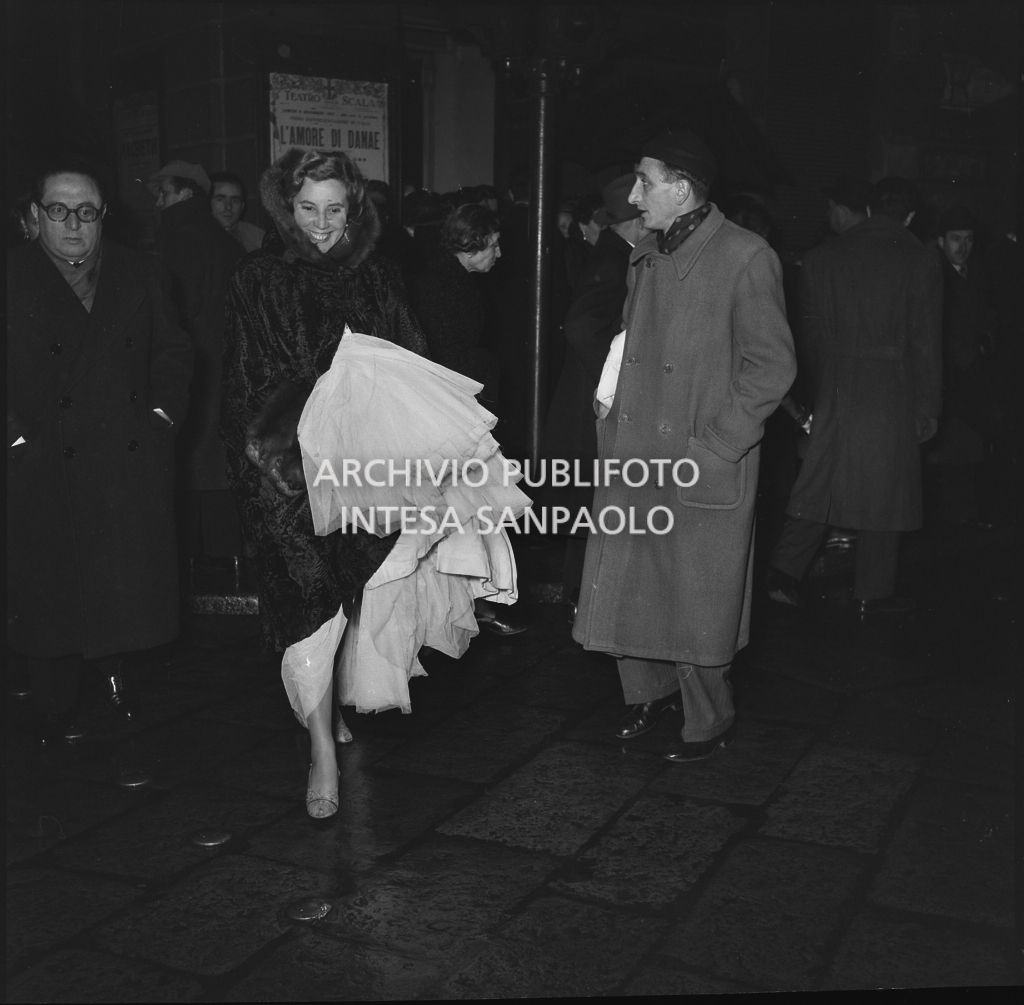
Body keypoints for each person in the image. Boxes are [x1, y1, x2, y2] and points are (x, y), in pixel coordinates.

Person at [223, 149, 527, 820]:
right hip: (290, 469)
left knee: (350, 594)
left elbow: (411, 358)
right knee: (309, 603)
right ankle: (321, 753)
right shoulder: (260, 277)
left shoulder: (380, 278)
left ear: (354, 209)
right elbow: (250, 377)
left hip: (367, 472)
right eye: (307, 209)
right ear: (286, 208)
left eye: (335, 209)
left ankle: (328, 718)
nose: (322, 225)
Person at [572, 129, 796, 762]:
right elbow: (629, 335)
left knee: (696, 593)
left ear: (680, 187)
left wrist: (718, 444)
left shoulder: (747, 258)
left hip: (700, 453)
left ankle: (709, 719)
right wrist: (609, 399)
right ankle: (648, 694)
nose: (634, 195)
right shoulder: (648, 249)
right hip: (637, 442)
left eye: (644, 182)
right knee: (635, 583)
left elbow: (771, 368)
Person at [6, 159, 192, 743]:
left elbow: (175, 353)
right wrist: (13, 436)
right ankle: (54, 701)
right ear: (35, 217)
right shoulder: (10, 277)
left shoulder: (140, 272)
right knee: (50, 591)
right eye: (58, 210)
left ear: (103, 217)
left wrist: (161, 417)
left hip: (124, 461)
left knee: (122, 587)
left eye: (86, 212)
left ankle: (120, 682)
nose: (72, 224)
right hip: (41, 462)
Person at [766, 176, 943, 618]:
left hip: (835, 385)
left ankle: (783, 574)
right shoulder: (920, 260)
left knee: (819, 483)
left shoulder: (823, 258)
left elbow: (807, 337)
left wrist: (813, 394)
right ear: (909, 216)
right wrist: (927, 408)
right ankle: (872, 591)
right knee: (886, 493)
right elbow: (926, 343)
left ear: (867, 210)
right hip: (893, 389)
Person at [408, 202, 526, 637]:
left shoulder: (448, 280)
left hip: (454, 412)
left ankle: (468, 604)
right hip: (456, 415)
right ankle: (464, 607)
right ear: (472, 245)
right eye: (493, 245)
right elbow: (452, 357)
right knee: (463, 514)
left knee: (466, 514)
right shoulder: (450, 288)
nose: (499, 254)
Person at [541, 173, 647, 617]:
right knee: (594, 500)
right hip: (594, 399)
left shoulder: (611, 253)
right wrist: (614, 371)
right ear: (634, 222)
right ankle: (586, 598)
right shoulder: (616, 259)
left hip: (586, 397)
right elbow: (582, 325)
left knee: (590, 502)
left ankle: (579, 593)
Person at [149, 160, 246, 572]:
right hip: (226, 370)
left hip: (190, 373)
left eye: (164, 193)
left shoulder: (175, 240)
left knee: (189, 464)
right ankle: (230, 563)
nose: (158, 201)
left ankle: (197, 567)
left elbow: (172, 315)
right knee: (220, 466)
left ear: (185, 193)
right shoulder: (228, 244)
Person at [926, 205, 993, 527]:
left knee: (967, 452)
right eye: (956, 239)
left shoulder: (974, 273)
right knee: (950, 453)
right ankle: (952, 521)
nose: (963, 247)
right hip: (949, 378)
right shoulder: (934, 275)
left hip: (970, 378)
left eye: (969, 239)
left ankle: (962, 518)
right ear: (940, 241)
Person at [209, 170, 266, 253]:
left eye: (235, 200)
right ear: (207, 203)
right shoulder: (194, 238)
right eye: (220, 199)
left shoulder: (258, 239)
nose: (228, 207)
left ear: (242, 206)